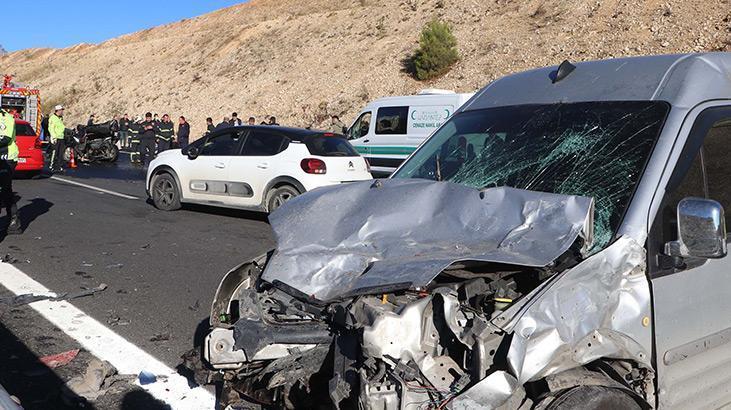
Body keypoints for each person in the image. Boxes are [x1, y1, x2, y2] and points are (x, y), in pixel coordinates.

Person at [0, 107, 22, 234]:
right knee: (6, 190)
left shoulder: (5, 117)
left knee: (3, 188)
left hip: (7, 158)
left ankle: (14, 221)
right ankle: (13, 222)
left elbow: (5, 138)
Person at [49, 105, 66, 172]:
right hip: (55, 138)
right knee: (54, 152)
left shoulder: (60, 118)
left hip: (61, 137)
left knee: (60, 153)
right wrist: (54, 137)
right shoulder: (53, 118)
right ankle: (51, 166)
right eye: (61, 110)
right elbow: (51, 128)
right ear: (58, 111)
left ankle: (59, 166)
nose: (62, 111)